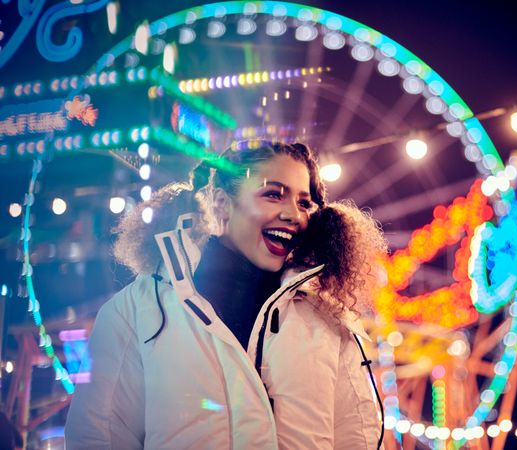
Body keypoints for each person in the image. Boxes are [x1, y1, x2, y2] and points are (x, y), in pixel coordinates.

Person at [65, 141, 386, 449]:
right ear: (220, 204)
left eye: (304, 203)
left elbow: (359, 437)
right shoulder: (136, 311)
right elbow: (100, 436)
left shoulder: (328, 322)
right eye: (273, 194)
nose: (294, 214)